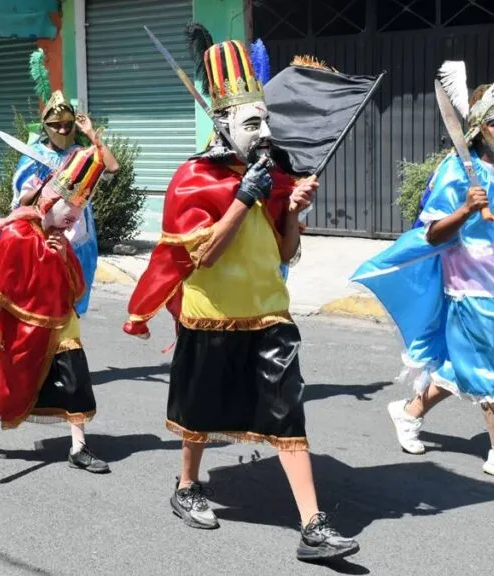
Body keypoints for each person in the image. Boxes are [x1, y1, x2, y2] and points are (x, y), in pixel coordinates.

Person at [124, 28, 357, 561]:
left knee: (288, 414)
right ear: (222, 123)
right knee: (200, 414)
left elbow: (283, 252)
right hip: (211, 318)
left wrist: (292, 210)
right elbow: (199, 255)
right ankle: (187, 486)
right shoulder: (192, 179)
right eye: (252, 122)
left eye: (266, 120)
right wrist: (240, 198)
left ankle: (312, 525)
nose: (264, 131)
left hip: (270, 314)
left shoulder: (271, 177)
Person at [351, 64, 494, 480]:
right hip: (466, 288)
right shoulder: (455, 173)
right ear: (478, 128)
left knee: (463, 367)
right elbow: (433, 234)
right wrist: (465, 210)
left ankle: (408, 412)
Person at [0, 146, 113, 473]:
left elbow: (76, 288)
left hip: (61, 321)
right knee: (11, 386)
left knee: (77, 381)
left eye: (81, 206)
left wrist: (62, 258)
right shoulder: (17, 234)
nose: (75, 213)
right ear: (49, 201)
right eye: (71, 205)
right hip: (19, 325)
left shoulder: (62, 239)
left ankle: (79, 447)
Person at [10, 48, 120, 316]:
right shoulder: (34, 156)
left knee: (73, 300)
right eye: (56, 125)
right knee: (46, 300)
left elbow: (113, 168)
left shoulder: (81, 154)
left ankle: (65, 347)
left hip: (80, 235)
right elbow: (21, 204)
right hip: (45, 236)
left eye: (67, 124)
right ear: (46, 125)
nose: (62, 129)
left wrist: (91, 133)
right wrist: (48, 184)